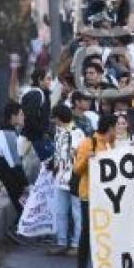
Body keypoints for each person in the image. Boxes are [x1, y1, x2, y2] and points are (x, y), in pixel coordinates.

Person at [72, 113, 117, 268]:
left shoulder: (111, 146)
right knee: (87, 233)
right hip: (89, 195)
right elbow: (76, 169)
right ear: (111, 128)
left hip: (109, 197)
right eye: (117, 128)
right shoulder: (87, 143)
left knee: (106, 234)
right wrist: (87, 159)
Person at [48, 104, 84, 256]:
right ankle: (62, 242)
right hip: (60, 178)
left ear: (59, 118)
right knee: (60, 211)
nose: (53, 121)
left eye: (54, 118)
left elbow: (79, 155)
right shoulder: (59, 132)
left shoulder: (77, 133)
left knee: (77, 213)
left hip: (74, 178)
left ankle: (77, 244)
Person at [0, 102, 28, 240]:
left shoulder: (9, 131)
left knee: (25, 203)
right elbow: (14, 163)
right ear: (13, 116)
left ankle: (19, 230)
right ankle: (15, 230)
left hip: (7, 173)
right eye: (21, 114)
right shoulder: (7, 133)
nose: (24, 117)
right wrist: (26, 183)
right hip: (6, 175)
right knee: (26, 204)